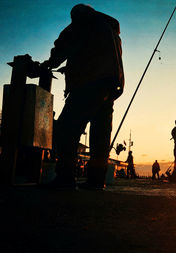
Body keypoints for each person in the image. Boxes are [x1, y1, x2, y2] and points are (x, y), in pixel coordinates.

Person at [41, 4, 124, 189]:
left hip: (88, 84)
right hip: (109, 87)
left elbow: (62, 46)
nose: (72, 19)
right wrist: (71, 68)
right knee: (100, 135)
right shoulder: (111, 30)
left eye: (73, 16)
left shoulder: (83, 23)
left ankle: (64, 178)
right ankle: (96, 181)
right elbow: (95, 55)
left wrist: (49, 64)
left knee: (66, 128)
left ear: (77, 14)